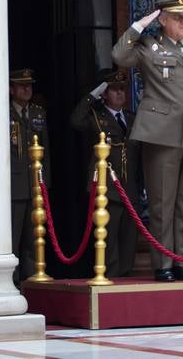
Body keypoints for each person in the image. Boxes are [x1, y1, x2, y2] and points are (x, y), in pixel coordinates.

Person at [112, 0, 183, 282]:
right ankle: (164, 264)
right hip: (161, 135)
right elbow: (119, 55)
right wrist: (140, 25)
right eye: (178, 17)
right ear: (164, 19)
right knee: (163, 203)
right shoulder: (150, 46)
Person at [69, 67, 141, 278]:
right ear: (104, 93)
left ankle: (125, 281)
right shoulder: (95, 117)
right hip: (107, 190)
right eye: (113, 89)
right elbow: (75, 120)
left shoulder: (132, 118)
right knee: (109, 245)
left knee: (129, 242)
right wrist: (93, 96)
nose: (120, 93)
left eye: (122, 89)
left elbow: (141, 154)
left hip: (131, 189)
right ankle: (112, 280)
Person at [9, 68, 46, 280]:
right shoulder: (4, 113)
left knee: (33, 240)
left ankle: (31, 282)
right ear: (12, 89)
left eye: (29, 85)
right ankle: (12, 282)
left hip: (34, 186)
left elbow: (45, 151)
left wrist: (43, 183)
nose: (26, 89)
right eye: (21, 85)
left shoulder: (38, 113)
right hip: (13, 186)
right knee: (13, 240)